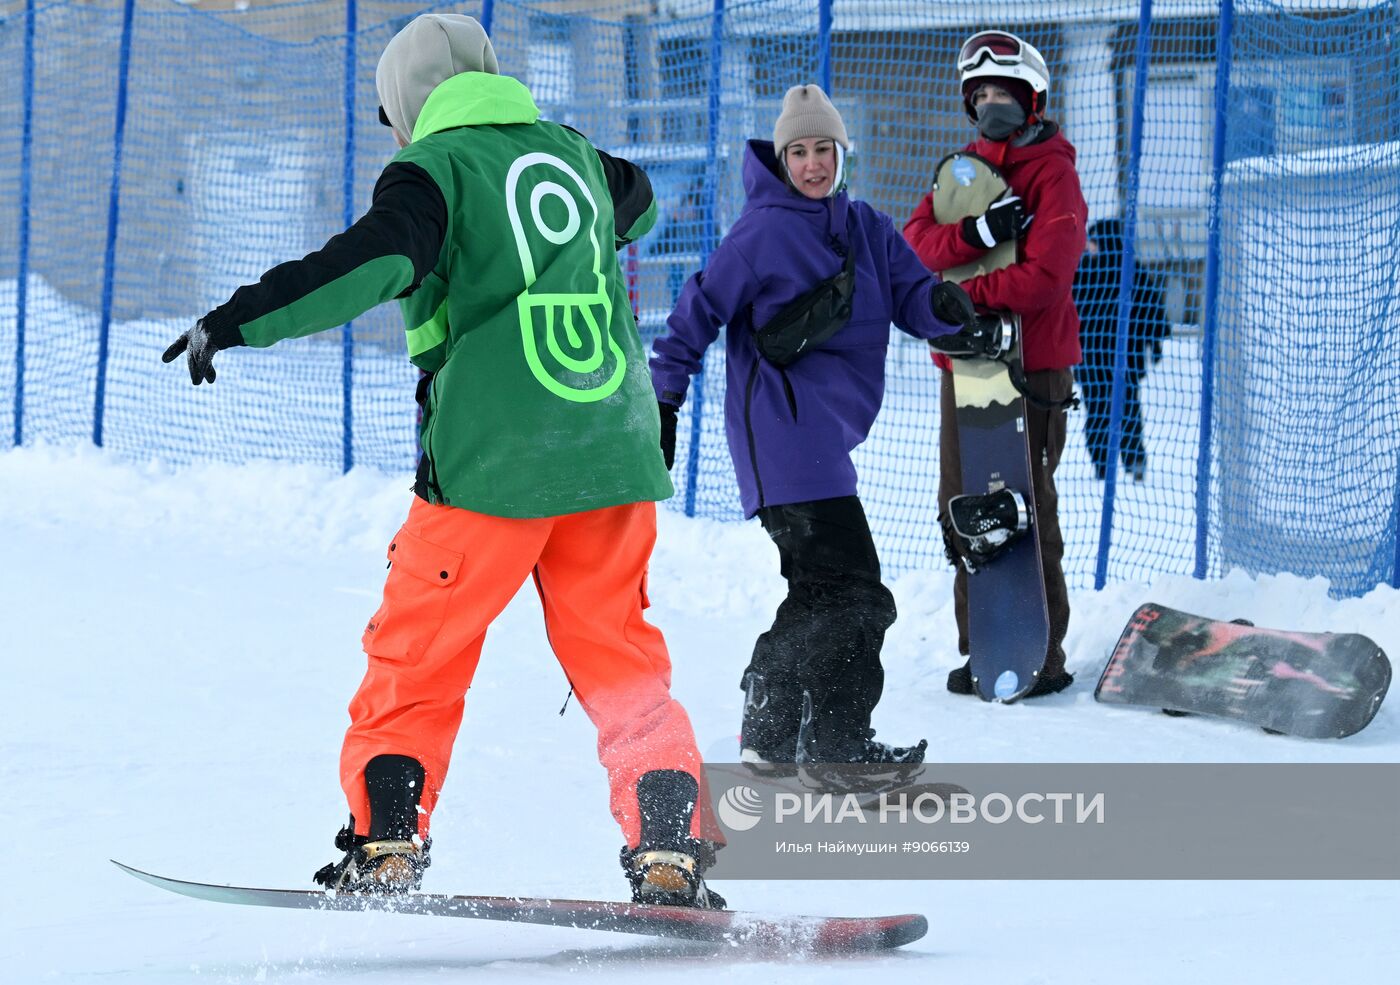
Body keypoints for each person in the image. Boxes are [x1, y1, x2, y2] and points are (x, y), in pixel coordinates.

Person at [160, 13, 725, 908]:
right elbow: (642, 202)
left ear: (406, 108)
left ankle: (388, 842)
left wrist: (238, 318)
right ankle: (669, 848)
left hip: (492, 462)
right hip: (612, 459)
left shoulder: (435, 169)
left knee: (418, 652)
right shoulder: (573, 151)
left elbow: (369, 262)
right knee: (621, 661)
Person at [649, 84, 988, 764]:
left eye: (823, 149)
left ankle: (771, 729)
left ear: (842, 153)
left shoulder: (866, 227)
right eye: (798, 152)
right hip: (779, 435)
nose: (812, 164)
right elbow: (695, 312)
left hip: (825, 438)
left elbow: (914, 296)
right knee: (856, 589)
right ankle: (839, 742)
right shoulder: (762, 232)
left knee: (820, 589)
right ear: (781, 160)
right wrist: (664, 400)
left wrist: (951, 311)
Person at [903, 30, 1087, 699]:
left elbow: (1045, 276)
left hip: (1031, 368)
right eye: (979, 93)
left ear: (1032, 98)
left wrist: (963, 294)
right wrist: (976, 236)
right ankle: (983, 642)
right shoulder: (961, 173)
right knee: (968, 506)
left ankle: (1045, 653)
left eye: (1003, 92)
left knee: (1028, 507)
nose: (991, 103)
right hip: (968, 368)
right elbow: (917, 244)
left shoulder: (1053, 173)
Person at [1073, 218, 1172, 481]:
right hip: (1102, 360)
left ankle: (1124, 461)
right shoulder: (1089, 272)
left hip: (1106, 360)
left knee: (1117, 410)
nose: (1089, 247)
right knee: (1110, 411)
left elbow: (1150, 309)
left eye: (1093, 241)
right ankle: (1113, 462)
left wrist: (1155, 340)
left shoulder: (1107, 272)